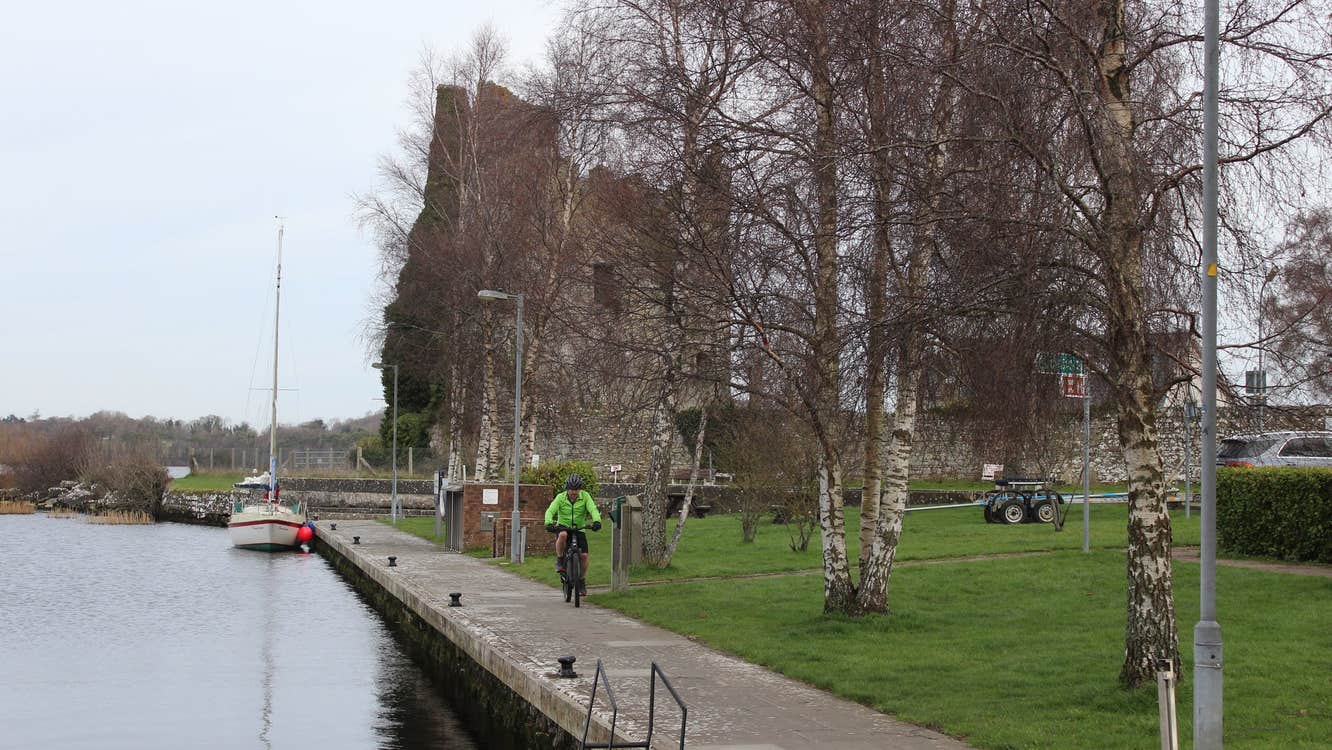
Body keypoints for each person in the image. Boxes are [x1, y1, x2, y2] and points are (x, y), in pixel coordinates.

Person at [544, 474, 602, 595]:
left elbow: (593, 509)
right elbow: (550, 510)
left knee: (584, 556)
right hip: (563, 526)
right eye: (571, 489)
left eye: (576, 489)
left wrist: (597, 521)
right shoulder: (560, 497)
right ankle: (560, 559)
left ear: (579, 489)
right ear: (567, 488)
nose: (573, 492)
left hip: (579, 528)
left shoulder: (585, 496)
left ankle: (581, 580)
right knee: (563, 535)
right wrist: (549, 522)